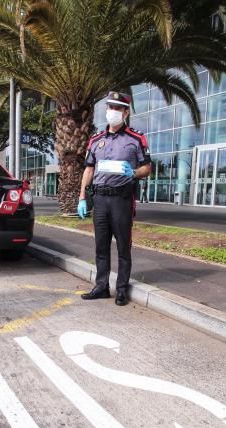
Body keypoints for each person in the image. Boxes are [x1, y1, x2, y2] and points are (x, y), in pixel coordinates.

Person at [77, 91, 151, 306]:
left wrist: (134, 173)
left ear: (126, 112)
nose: (113, 112)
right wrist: (82, 196)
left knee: (123, 247)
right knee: (100, 246)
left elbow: (147, 167)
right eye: (110, 107)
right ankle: (101, 287)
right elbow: (88, 169)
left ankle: (121, 289)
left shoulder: (136, 139)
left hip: (121, 200)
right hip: (99, 199)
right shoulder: (96, 140)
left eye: (118, 108)